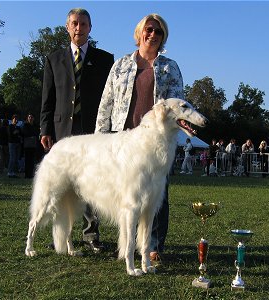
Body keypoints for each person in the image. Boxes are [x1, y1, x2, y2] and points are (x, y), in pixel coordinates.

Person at [95, 13, 183, 264]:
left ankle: (152, 246)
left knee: (157, 196)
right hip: (122, 141)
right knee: (126, 196)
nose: (153, 35)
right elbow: (106, 102)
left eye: (158, 32)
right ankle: (127, 245)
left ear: (163, 37)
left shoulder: (170, 67)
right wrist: (100, 136)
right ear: (140, 33)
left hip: (155, 144)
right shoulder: (121, 64)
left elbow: (177, 107)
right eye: (149, 29)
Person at [39, 8, 114, 253]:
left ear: (90, 28)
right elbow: (47, 98)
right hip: (63, 130)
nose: (78, 28)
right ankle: (60, 236)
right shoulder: (54, 59)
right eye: (74, 23)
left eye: (83, 23)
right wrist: (45, 128)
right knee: (61, 186)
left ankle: (91, 234)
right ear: (67, 27)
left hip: (93, 131)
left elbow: (109, 97)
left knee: (93, 183)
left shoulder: (105, 60)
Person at [22, 113, 39, 178]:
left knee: (32, 161)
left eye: (31, 117)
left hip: (33, 145)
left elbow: (36, 133)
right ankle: (26, 174)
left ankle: (31, 174)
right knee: (27, 160)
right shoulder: (25, 125)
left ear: (33, 118)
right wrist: (32, 135)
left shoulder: (36, 126)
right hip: (27, 145)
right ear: (27, 118)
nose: (30, 118)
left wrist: (32, 135)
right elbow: (25, 133)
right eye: (29, 117)